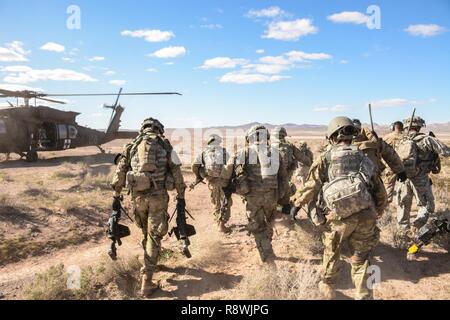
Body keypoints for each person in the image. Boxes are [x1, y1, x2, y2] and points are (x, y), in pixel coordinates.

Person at [291, 117, 386, 300]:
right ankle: (364, 293)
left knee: (332, 250)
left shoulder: (326, 157)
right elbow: (378, 188)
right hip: (366, 214)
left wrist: (297, 203)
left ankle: (327, 286)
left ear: (333, 136)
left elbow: (312, 186)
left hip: (338, 216)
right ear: (352, 135)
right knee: (361, 257)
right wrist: (379, 210)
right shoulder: (363, 157)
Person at [110, 118, 186, 297]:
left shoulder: (131, 146)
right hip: (158, 198)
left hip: (138, 199)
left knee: (146, 233)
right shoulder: (165, 146)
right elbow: (177, 172)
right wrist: (181, 194)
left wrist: (116, 194)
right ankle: (147, 282)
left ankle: (150, 262)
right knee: (154, 236)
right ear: (159, 129)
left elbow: (119, 173)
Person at [221, 125, 285, 263]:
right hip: (271, 196)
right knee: (268, 223)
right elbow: (283, 177)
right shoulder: (275, 152)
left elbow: (226, 174)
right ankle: (267, 246)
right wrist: (282, 198)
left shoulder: (241, 153)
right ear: (266, 136)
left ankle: (267, 258)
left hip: (252, 197)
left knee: (257, 226)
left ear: (249, 138)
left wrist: (226, 187)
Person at [396, 116, 450, 233]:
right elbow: (446, 152)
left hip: (403, 178)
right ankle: (417, 229)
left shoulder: (401, 141)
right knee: (426, 205)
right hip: (420, 178)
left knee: (403, 206)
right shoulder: (427, 139)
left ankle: (402, 233)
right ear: (420, 127)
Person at [352, 119, 407, 210]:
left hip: (351, 184)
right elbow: (390, 154)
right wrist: (400, 170)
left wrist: (400, 170)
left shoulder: (341, 142)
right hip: (372, 181)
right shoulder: (374, 142)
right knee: (378, 205)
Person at [192, 134, 231, 233]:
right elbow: (231, 165)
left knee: (216, 201)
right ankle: (221, 224)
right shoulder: (223, 152)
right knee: (225, 201)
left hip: (211, 181)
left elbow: (194, 165)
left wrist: (199, 176)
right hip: (223, 181)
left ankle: (218, 221)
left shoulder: (204, 152)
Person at [270, 127, 313, 214]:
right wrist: (311, 164)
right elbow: (303, 159)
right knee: (289, 192)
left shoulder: (268, 147)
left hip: (271, 181)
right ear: (284, 135)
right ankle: (284, 211)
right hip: (285, 179)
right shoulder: (289, 146)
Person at [383, 121, 405, 203]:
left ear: (393, 127)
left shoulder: (386, 137)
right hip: (404, 167)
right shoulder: (406, 137)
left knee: (388, 187)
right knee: (405, 188)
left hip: (390, 166)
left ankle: (385, 207)